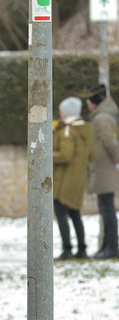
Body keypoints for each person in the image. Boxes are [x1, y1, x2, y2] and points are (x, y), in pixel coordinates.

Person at [53, 97, 94, 260]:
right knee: (75, 213)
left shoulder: (68, 131)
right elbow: (91, 155)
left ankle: (67, 248)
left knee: (61, 213)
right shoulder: (86, 130)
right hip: (79, 178)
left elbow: (66, 154)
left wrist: (47, 154)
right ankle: (82, 248)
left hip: (64, 180)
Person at [85, 84, 119, 258]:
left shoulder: (102, 119)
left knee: (107, 209)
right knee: (105, 208)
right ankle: (107, 246)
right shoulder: (102, 116)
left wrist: (116, 159)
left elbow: (110, 142)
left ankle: (111, 247)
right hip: (103, 167)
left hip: (105, 168)